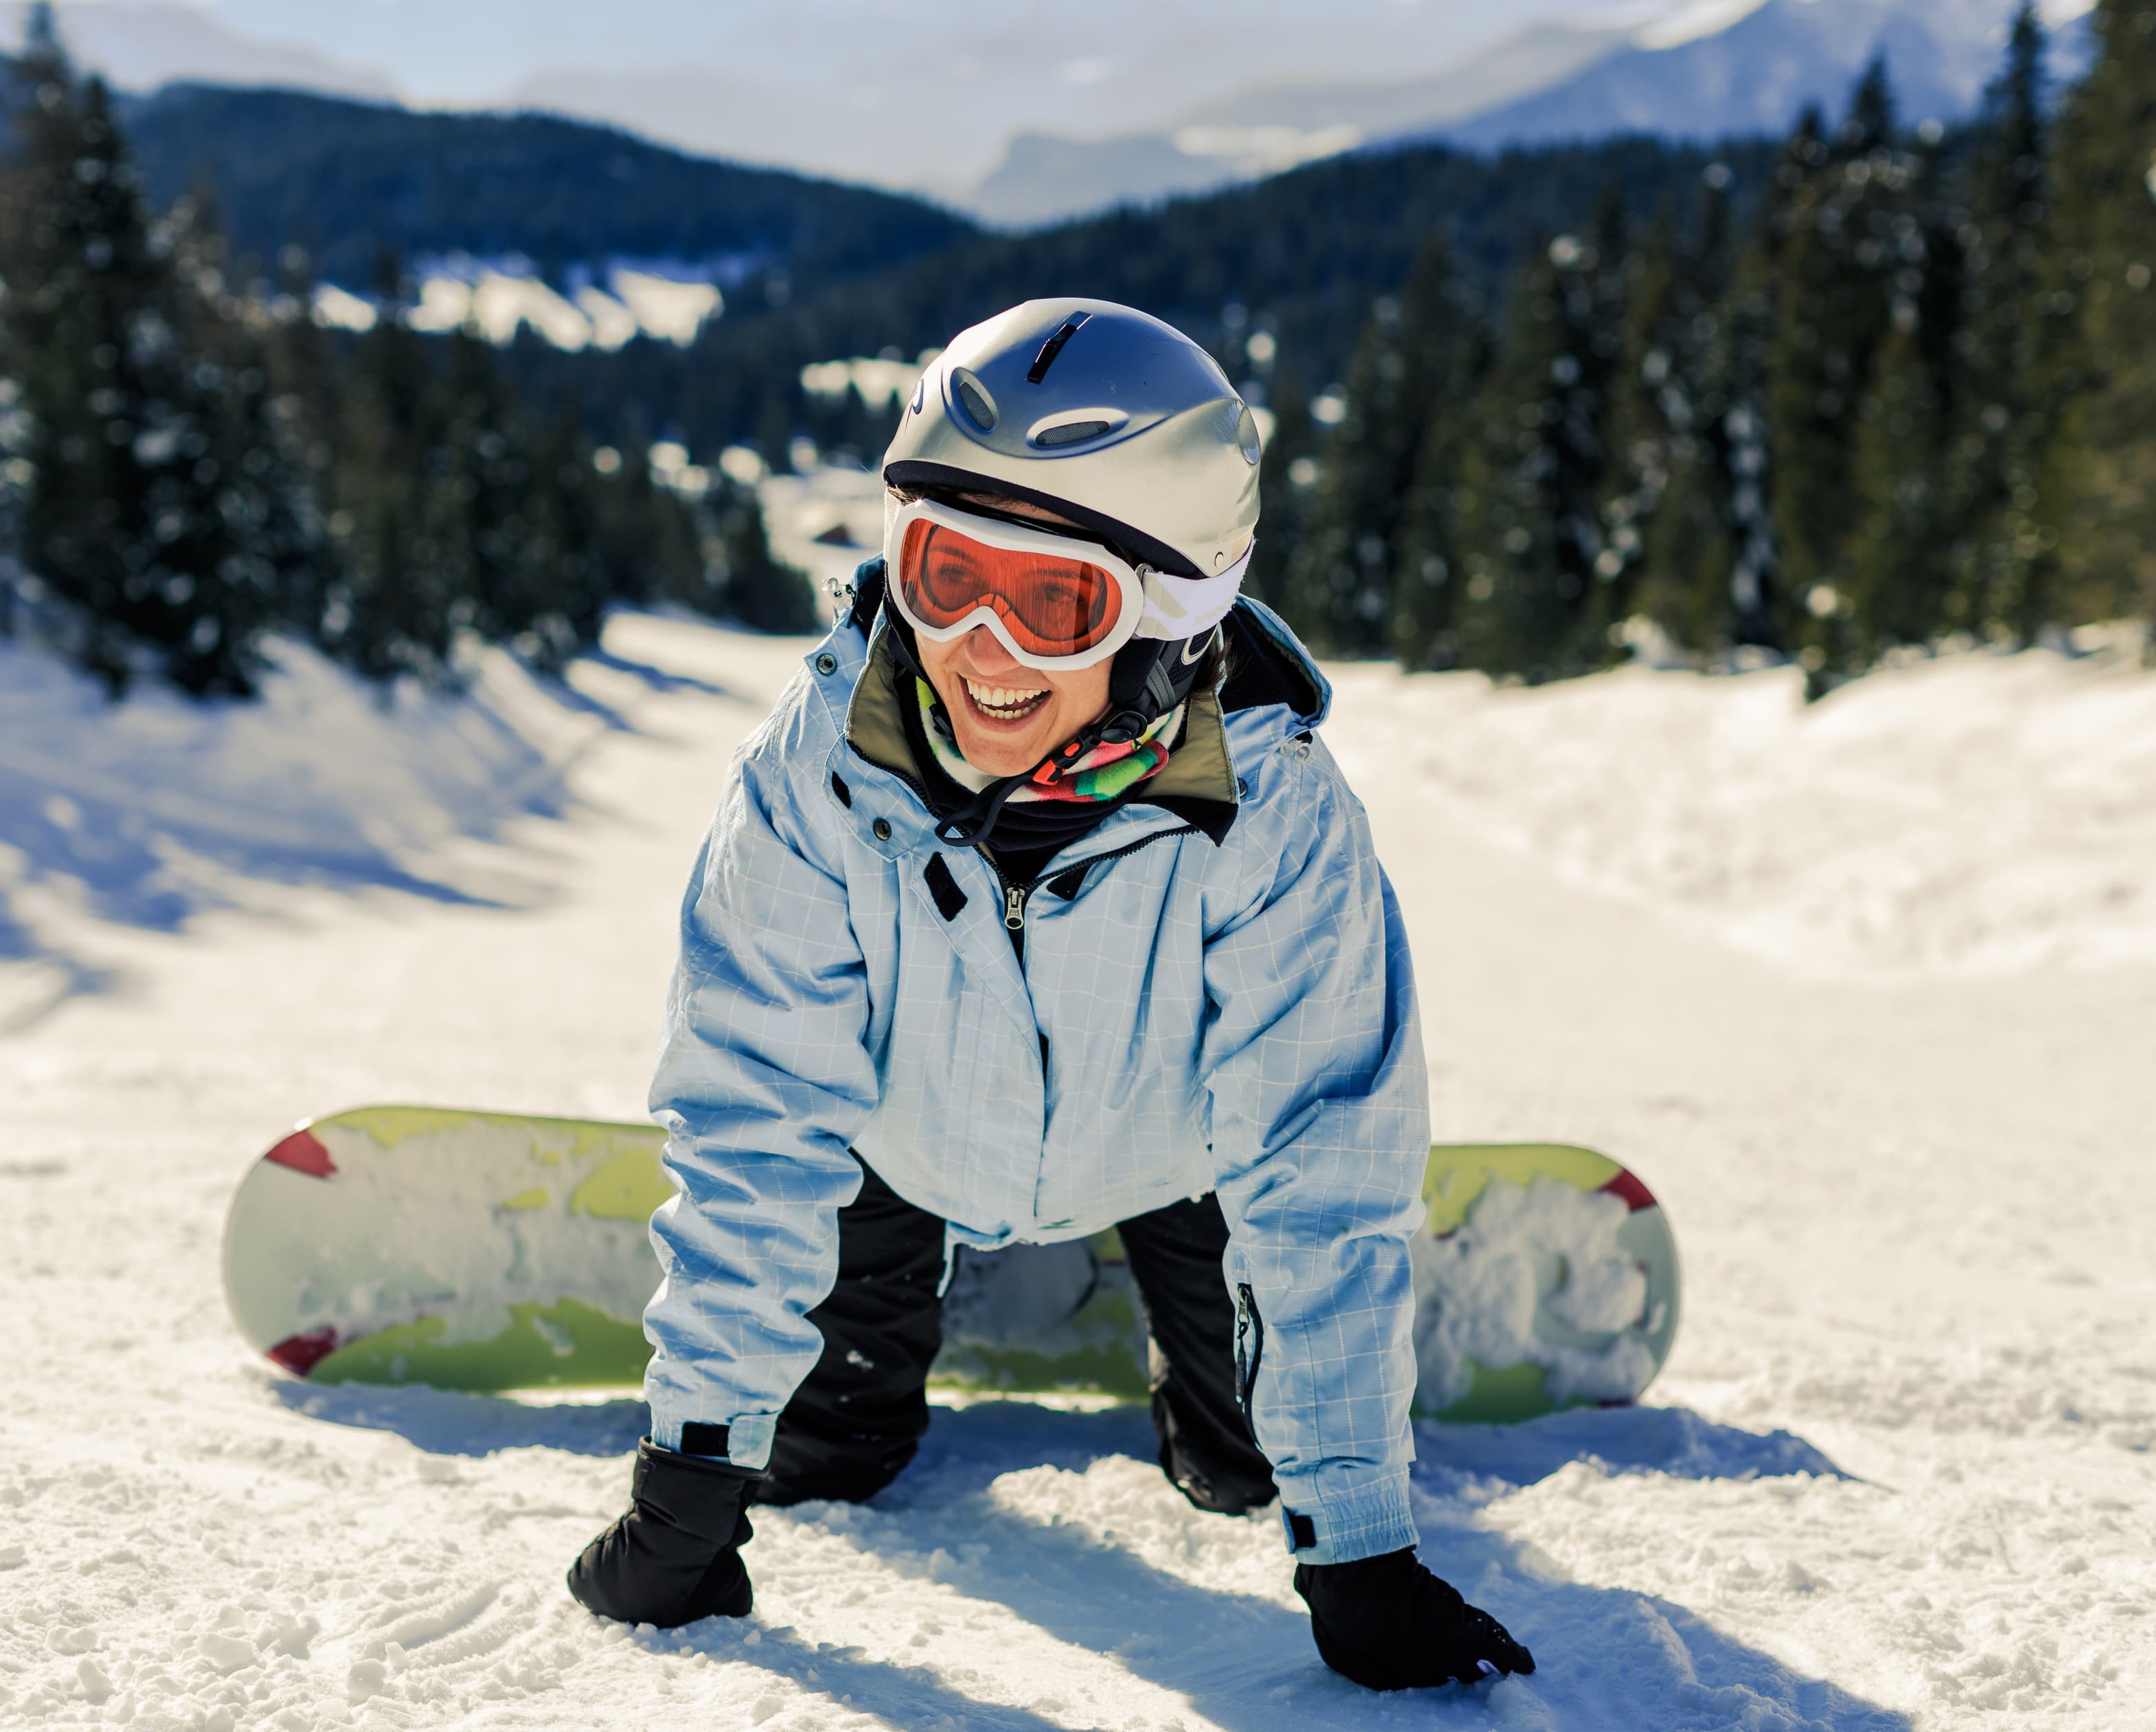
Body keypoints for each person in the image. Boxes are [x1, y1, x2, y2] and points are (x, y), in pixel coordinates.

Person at [567, 298, 1536, 1692]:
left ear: (1168, 610)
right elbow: (760, 1109)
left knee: (1245, 1473)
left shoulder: (1272, 816)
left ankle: (1146, 1277)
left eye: (1053, 601)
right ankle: (943, 1268)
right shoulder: (819, 770)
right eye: (945, 571)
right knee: (825, 1460)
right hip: (888, 1144)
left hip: (1178, 1151)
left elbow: (1315, 1166)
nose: (983, 646)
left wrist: (1361, 1549)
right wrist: (689, 1479)